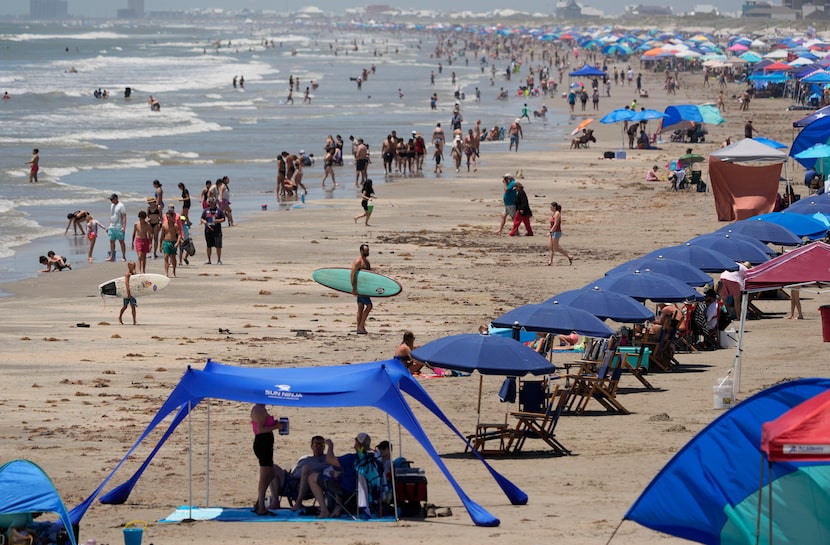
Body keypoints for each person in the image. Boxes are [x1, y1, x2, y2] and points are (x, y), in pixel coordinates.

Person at [250, 403, 288, 516]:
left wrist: (274, 424)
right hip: (262, 444)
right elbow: (260, 429)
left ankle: (258, 503)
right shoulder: (258, 410)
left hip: (266, 444)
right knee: (265, 475)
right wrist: (276, 427)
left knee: (270, 474)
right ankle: (261, 507)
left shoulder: (261, 409)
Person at [290, 436, 334, 514]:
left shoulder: (328, 459)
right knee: (274, 468)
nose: (318, 447)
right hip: (298, 483)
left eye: (321, 444)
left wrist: (330, 447)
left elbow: (333, 469)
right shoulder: (305, 459)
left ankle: (298, 502)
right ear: (311, 446)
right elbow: (294, 473)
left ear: (324, 447)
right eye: (316, 444)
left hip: (317, 484)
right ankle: (275, 503)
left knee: (307, 469)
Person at [351, 243, 372, 334]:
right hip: (360, 288)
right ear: (361, 251)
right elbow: (353, 275)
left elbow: (370, 275)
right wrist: (354, 288)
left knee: (360, 307)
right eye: (366, 250)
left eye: (368, 250)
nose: (367, 252)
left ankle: (358, 329)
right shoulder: (358, 262)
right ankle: (361, 326)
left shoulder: (367, 262)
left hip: (365, 288)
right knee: (369, 306)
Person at [200, 197, 225, 265]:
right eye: (209, 202)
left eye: (211, 202)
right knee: (208, 245)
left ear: (214, 202)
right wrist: (204, 221)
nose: (210, 203)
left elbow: (223, 218)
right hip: (208, 230)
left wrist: (218, 220)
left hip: (217, 230)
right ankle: (209, 260)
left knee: (218, 246)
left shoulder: (219, 210)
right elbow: (202, 218)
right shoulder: (206, 210)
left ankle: (219, 260)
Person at [160, 209, 183, 278]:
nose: (168, 218)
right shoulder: (164, 225)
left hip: (173, 242)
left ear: (173, 217)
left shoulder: (175, 225)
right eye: (167, 217)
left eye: (169, 217)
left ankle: (174, 272)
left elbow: (179, 235)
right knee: (166, 256)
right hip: (166, 242)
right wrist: (160, 245)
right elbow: (162, 236)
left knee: (173, 257)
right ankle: (166, 273)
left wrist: (177, 242)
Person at [107, 193, 127, 262]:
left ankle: (123, 256)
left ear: (116, 199)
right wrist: (109, 226)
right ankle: (112, 256)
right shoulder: (112, 205)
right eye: (110, 200)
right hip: (112, 226)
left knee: (121, 241)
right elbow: (111, 216)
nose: (111, 201)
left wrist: (124, 227)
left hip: (119, 226)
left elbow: (124, 216)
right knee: (111, 241)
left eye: (112, 199)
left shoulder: (121, 205)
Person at [119, 261, 138, 325]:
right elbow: (126, 283)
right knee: (125, 306)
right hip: (127, 293)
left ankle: (134, 320)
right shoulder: (127, 274)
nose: (134, 268)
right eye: (133, 266)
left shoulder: (134, 274)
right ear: (129, 267)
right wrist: (128, 293)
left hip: (132, 292)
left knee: (133, 306)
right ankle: (120, 318)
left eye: (135, 266)